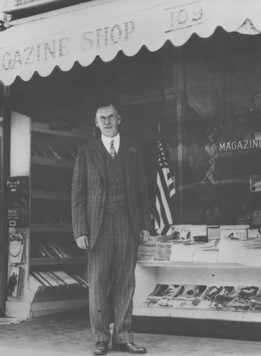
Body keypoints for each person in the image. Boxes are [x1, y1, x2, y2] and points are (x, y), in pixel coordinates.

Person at [72, 103, 151, 355]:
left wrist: (144, 225)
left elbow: (142, 189)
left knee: (126, 282)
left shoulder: (132, 148)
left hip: (127, 224)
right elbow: (78, 194)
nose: (107, 121)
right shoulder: (86, 152)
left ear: (119, 119)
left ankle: (123, 337)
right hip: (98, 226)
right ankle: (100, 339)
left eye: (111, 117)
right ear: (96, 123)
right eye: (101, 118)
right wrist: (80, 230)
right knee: (97, 282)